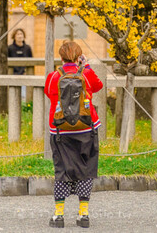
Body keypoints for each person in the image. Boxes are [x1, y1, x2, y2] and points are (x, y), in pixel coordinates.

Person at [45, 41, 103, 228]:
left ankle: (59, 215)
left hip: (61, 129)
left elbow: (49, 93)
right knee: (86, 169)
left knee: (61, 169)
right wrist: (85, 66)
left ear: (60, 58)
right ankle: (83, 214)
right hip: (86, 128)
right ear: (79, 57)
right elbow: (99, 86)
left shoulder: (54, 77)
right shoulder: (85, 75)